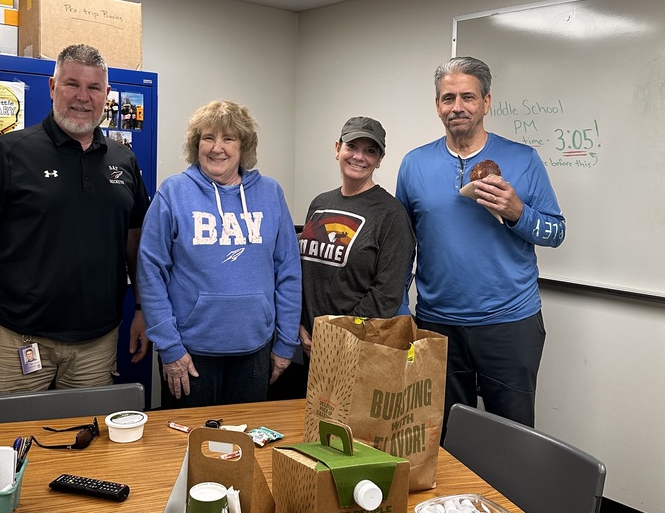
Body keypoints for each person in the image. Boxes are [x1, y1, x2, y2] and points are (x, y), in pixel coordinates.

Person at [0, 44, 149, 394]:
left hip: (96, 343)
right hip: (14, 339)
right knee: (8, 432)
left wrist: (141, 308)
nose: (82, 97)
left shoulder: (124, 159)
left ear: (106, 94)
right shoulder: (10, 152)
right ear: (52, 87)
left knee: (86, 431)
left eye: (93, 87)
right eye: (72, 84)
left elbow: (135, 240)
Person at [396, 56, 565, 431]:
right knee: (441, 434)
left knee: (512, 435)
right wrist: (400, 310)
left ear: (486, 102)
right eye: (448, 98)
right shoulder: (413, 164)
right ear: (438, 105)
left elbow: (556, 232)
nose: (457, 107)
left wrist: (517, 211)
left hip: (510, 323)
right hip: (437, 324)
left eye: (468, 97)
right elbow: (402, 247)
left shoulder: (524, 159)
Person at [137, 100, 301, 407]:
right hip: (190, 354)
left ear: (244, 146)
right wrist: (170, 347)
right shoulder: (173, 192)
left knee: (245, 434)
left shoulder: (270, 193)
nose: (217, 148)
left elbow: (289, 273)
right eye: (208, 138)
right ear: (196, 144)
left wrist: (286, 343)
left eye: (228, 138)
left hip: (256, 351)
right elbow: (150, 273)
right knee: (188, 437)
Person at [297, 115, 415, 374]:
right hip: (310, 344)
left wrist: (338, 336)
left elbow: (387, 294)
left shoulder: (392, 214)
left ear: (380, 159)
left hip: (356, 349)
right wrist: (300, 324)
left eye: (370, 151)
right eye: (352, 146)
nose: (359, 157)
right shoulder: (320, 204)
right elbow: (306, 274)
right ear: (338, 148)